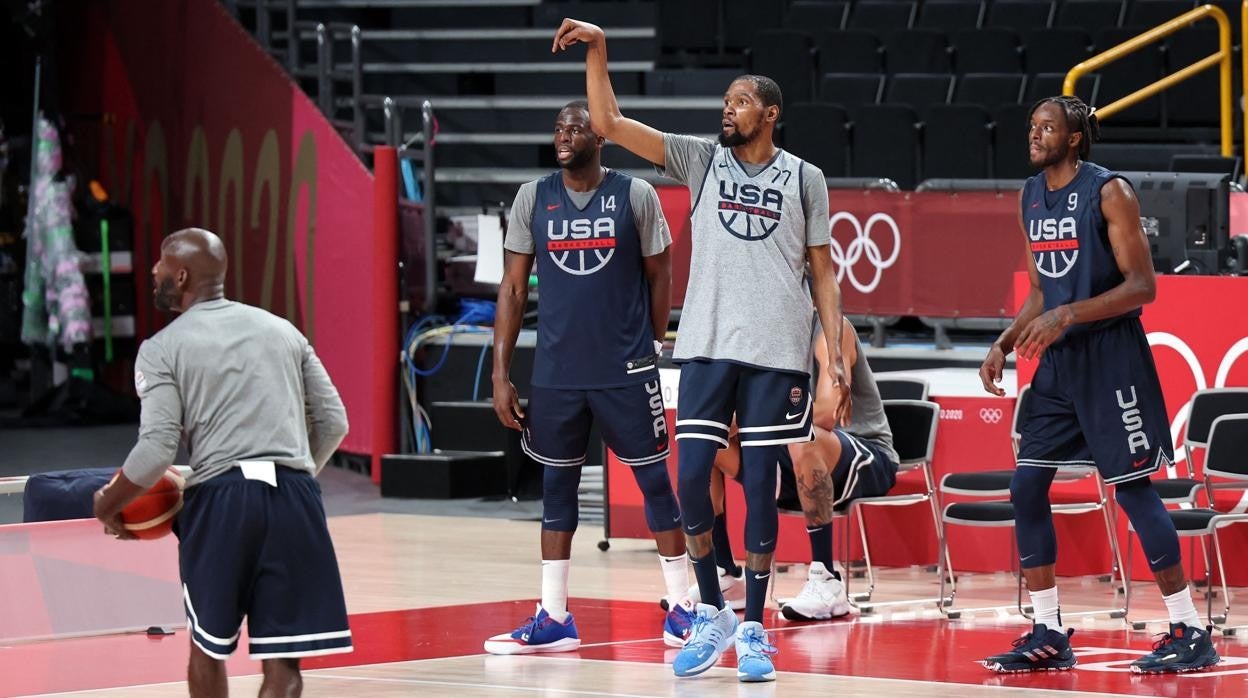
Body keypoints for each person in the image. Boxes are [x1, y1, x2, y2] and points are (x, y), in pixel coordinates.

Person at [555, 19, 851, 683]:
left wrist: (832, 358)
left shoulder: (805, 178)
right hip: (707, 345)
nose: (728, 109)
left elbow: (824, 274)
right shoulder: (700, 159)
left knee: (760, 482)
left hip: (776, 351)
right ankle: (713, 611)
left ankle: (754, 629)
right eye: (725, 101)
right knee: (691, 478)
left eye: (741, 101)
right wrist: (599, 48)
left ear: (770, 114)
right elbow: (608, 123)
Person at [978, 96, 1219, 674]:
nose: (1035, 135)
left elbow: (1142, 286)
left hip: (1112, 359)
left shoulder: (1110, 191)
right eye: (1032, 126)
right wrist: (1004, 341)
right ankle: (1049, 631)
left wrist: (1068, 315)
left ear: (1074, 138)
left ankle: (1189, 629)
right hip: (1058, 365)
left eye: (1048, 128)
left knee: (1132, 490)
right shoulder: (1029, 195)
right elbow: (1042, 290)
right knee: (1026, 487)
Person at [93, 228, 352, 697]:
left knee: (207, 649)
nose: (154, 270)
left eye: (162, 263)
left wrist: (108, 504)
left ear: (181, 276)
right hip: (294, 498)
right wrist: (294, 473)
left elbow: (157, 449)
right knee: (283, 664)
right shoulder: (283, 330)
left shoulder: (161, 348)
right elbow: (334, 421)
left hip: (223, 500)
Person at [486, 101, 693, 655]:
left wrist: (651, 344)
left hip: (625, 368)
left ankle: (683, 609)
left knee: (655, 483)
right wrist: (501, 373)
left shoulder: (636, 195)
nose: (563, 136)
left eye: (575, 128)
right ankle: (554, 616)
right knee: (557, 489)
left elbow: (661, 274)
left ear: (599, 138)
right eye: (558, 128)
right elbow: (512, 289)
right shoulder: (532, 198)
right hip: (557, 372)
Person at [782, 316, 897, 621]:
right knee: (710, 440)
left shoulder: (831, 329)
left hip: (867, 453)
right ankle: (725, 573)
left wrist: (757, 423)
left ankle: (825, 578)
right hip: (794, 448)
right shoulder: (767, 332)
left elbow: (826, 414)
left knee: (804, 436)